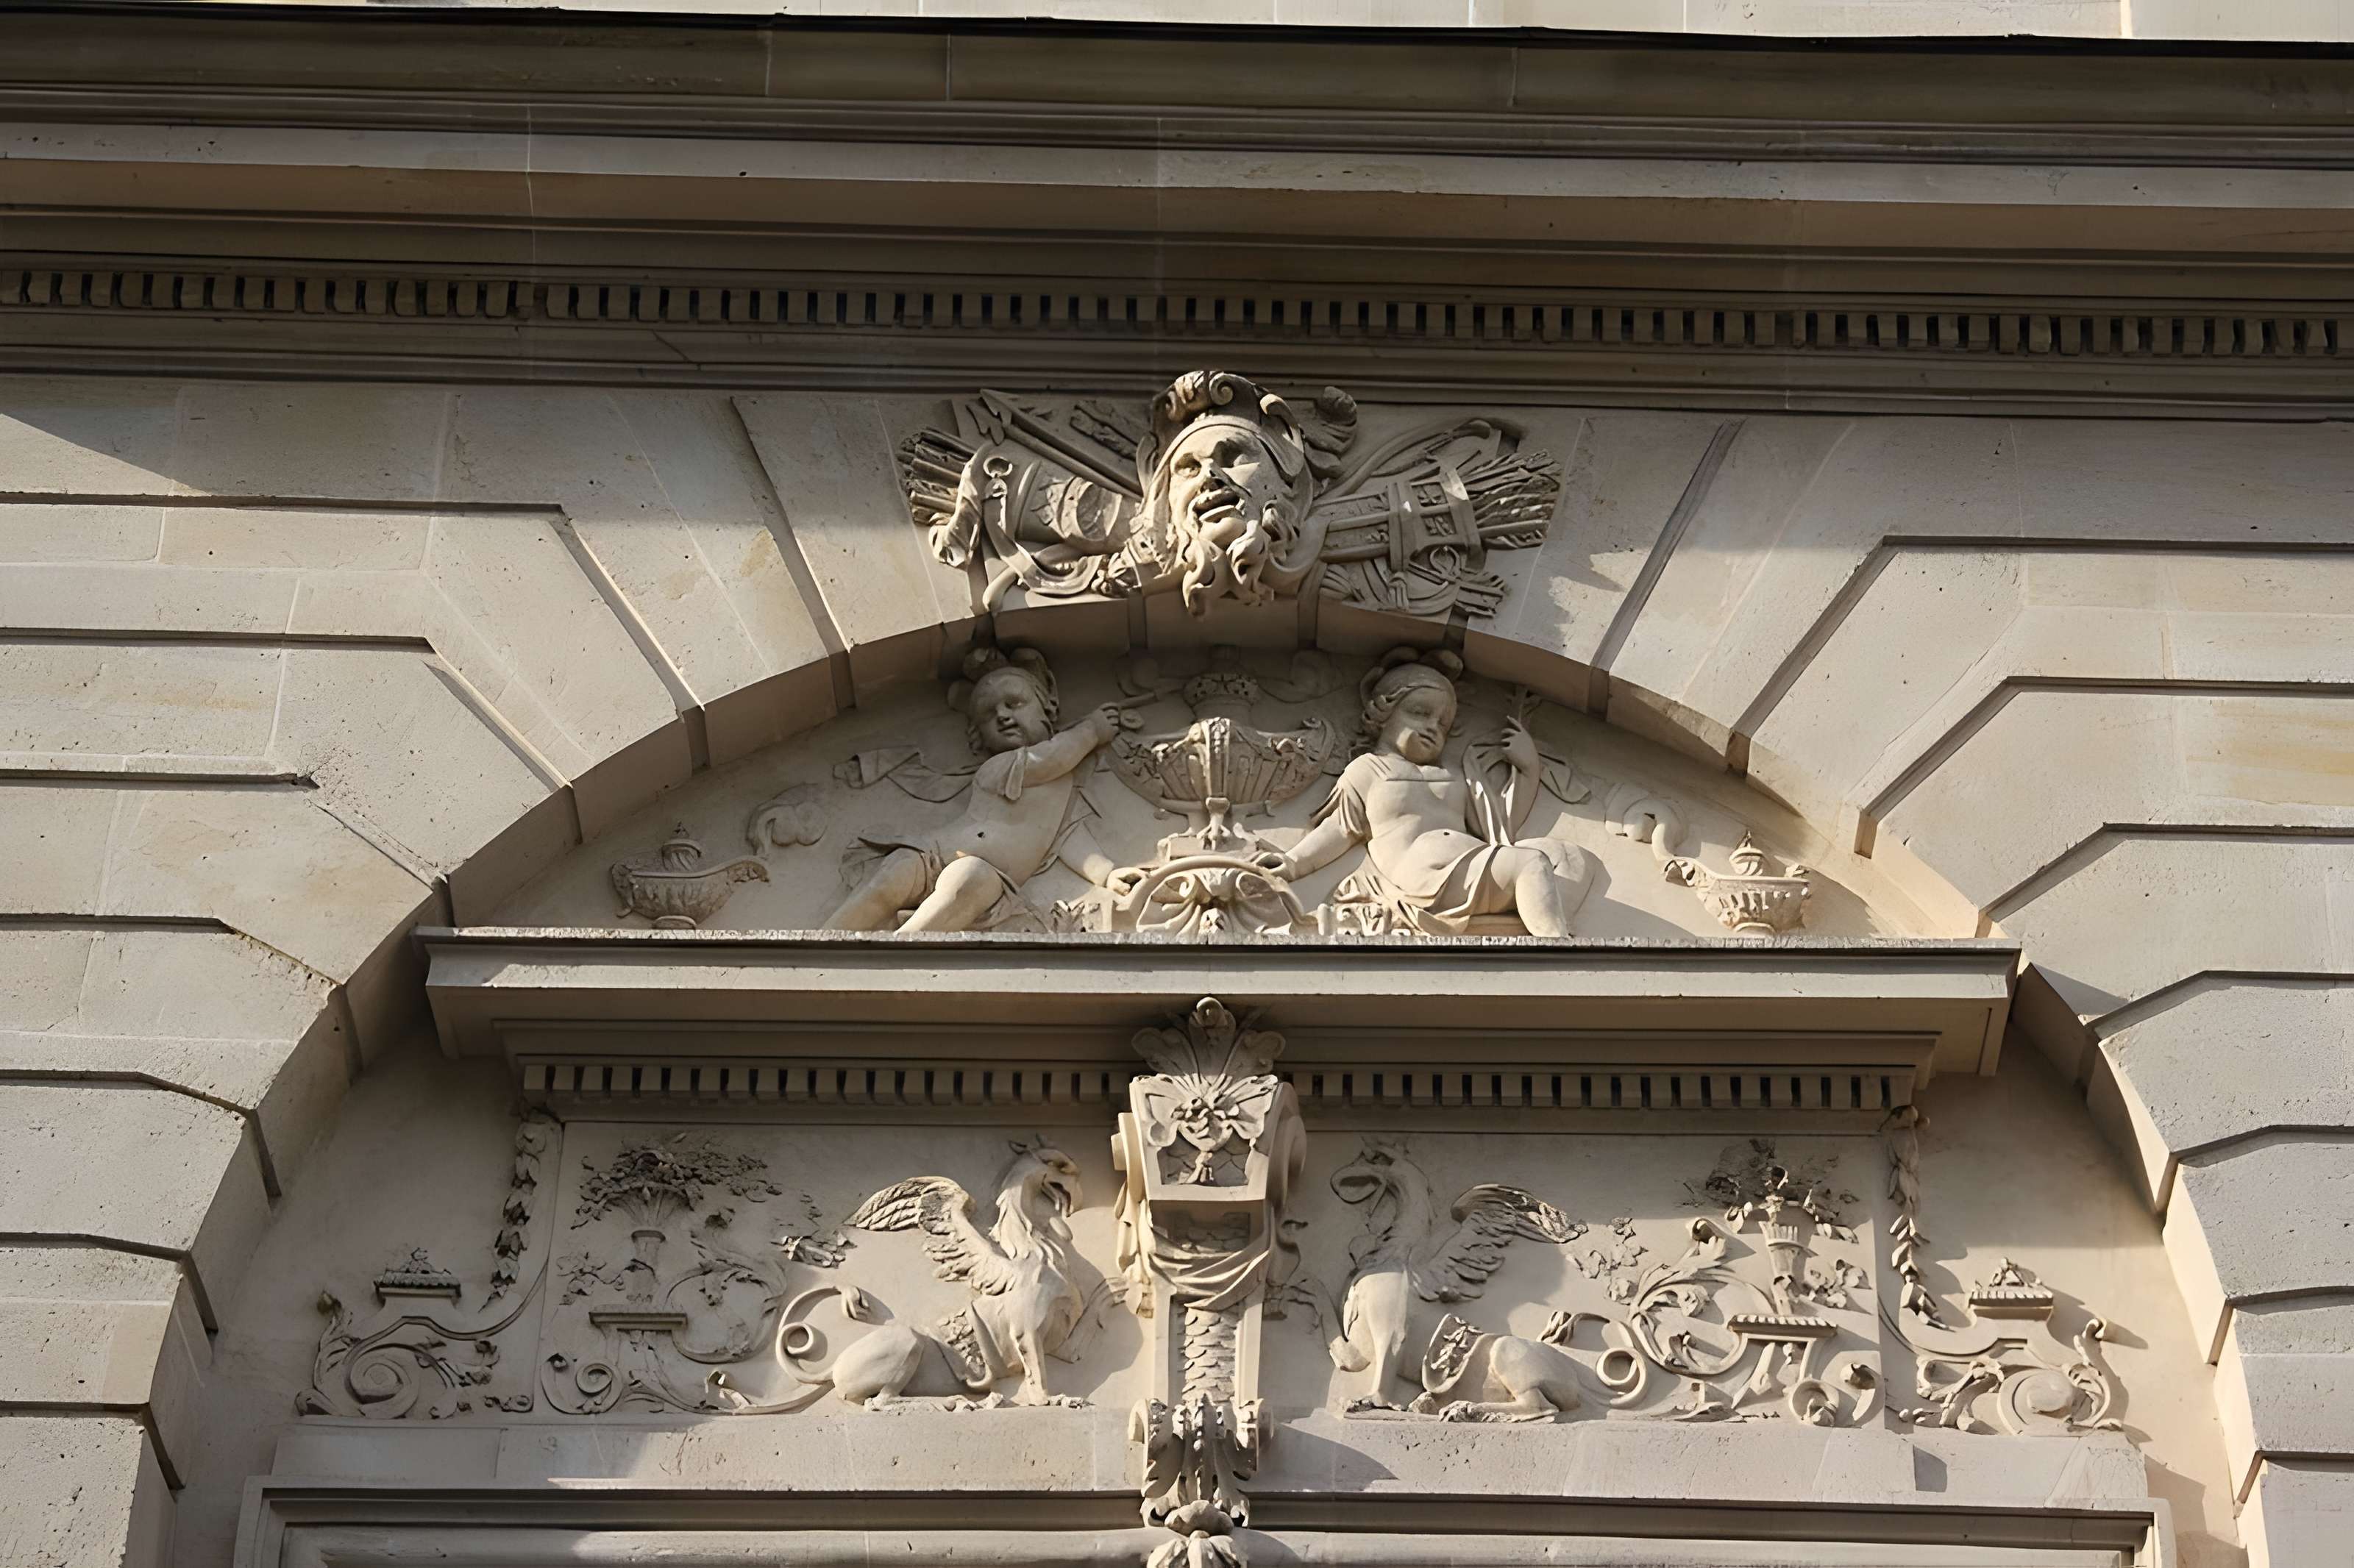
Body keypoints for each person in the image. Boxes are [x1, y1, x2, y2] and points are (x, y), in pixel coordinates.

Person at [1256, 651, 1590, 936]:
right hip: (1423, 879)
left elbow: (1499, 823)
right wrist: (1293, 863)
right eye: (1419, 712)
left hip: (1470, 870)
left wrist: (1529, 767)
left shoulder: (1453, 776)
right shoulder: (1370, 770)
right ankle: (1561, 954)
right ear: (1383, 714)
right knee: (1532, 863)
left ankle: (1553, 944)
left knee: (1549, 859)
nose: (1433, 726)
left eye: (1443, 723)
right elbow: (1340, 829)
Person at [826, 648, 1123, 933]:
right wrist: (1092, 731)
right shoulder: (1001, 767)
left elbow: (1068, 836)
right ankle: (826, 942)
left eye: (1014, 703)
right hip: (933, 854)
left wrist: (1108, 874)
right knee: (890, 881)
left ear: (1048, 706)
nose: (1003, 716)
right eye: (989, 715)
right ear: (979, 736)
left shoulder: (1066, 785)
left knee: (971, 881)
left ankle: (898, 952)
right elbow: (1048, 760)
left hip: (988, 873)